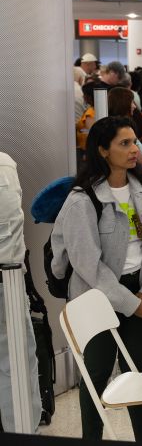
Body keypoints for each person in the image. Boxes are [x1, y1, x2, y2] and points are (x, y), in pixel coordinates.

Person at [51, 116, 142, 442]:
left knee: (137, 373)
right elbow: (89, 266)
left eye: (135, 142)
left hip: (141, 293)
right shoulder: (83, 200)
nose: (134, 149)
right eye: (125, 143)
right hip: (95, 297)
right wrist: (130, 303)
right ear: (103, 150)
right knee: (95, 376)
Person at [0, 152, 42, 433]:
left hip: (9, 280)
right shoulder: (4, 164)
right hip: (8, 281)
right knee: (15, 365)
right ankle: (24, 431)